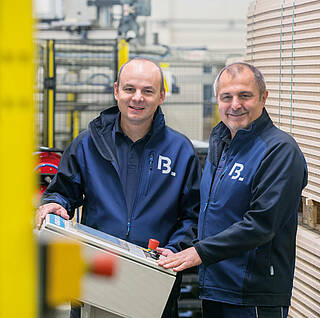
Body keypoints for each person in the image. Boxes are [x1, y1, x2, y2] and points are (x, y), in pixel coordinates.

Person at [36, 58, 201, 318]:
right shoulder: (88, 143)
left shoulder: (181, 151)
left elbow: (193, 215)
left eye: (148, 91)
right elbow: (61, 192)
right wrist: (54, 204)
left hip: (153, 279)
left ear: (161, 96)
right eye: (129, 89)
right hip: (95, 276)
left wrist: (175, 248)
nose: (137, 98)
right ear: (116, 91)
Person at [158, 62, 308, 318]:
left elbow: (261, 223)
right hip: (216, 287)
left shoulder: (279, 151)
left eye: (244, 95)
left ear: (263, 97)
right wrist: (180, 247)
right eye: (226, 97)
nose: (235, 104)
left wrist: (199, 252)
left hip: (252, 295)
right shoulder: (222, 143)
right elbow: (211, 212)